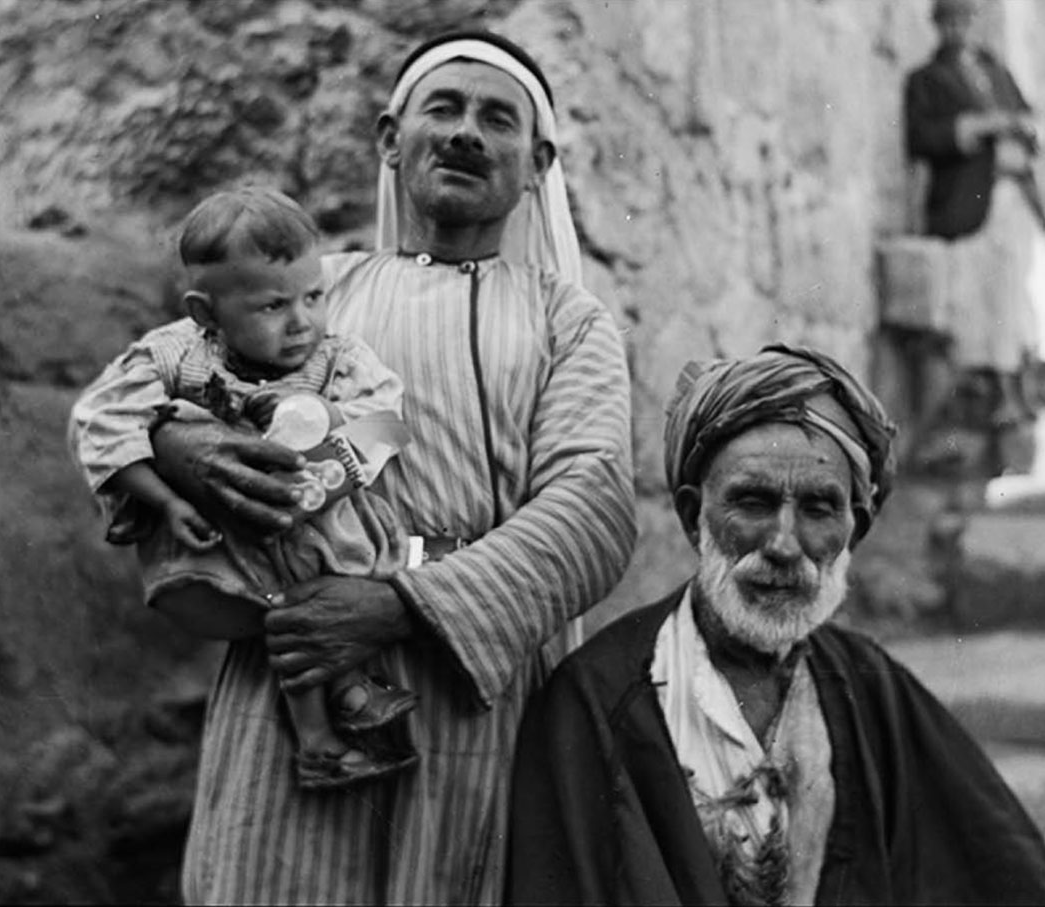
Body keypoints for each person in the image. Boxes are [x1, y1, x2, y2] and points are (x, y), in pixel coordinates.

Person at [128, 31, 636, 903]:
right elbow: (155, 386)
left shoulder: (568, 320)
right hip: (295, 668)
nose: (467, 132)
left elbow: (592, 508)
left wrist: (401, 604)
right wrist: (169, 437)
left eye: (496, 119)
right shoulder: (310, 296)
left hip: (474, 688)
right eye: (443, 108)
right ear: (391, 139)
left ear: (537, 160)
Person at [507, 345, 1045, 905]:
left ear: (853, 530)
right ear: (691, 516)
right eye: (753, 503)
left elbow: (1006, 872)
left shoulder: (871, 690)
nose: (783, 545)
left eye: (818, 509)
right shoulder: (595, 703)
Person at [69, 186, 418, 789]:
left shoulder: (338, 358)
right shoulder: (177, 355)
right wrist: (168, 498)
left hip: (312, 535)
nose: (302, 321)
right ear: (206, 313)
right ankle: (340, 706)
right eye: (273, 306)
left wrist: (328, 432)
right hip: (219, 553)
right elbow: (100, 419)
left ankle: (327, 734)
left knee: (315, 601)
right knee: (290, 605)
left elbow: (386, 417)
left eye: (314, 296)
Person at [904, 0, 1045, 471]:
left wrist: (1029, 129)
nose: (960, 29)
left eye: (966, 19)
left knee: (1025, 301)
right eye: (949, 21)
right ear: (937, 26)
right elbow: (921, 138)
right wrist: (980, 126)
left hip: (1016, 198)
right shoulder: (927, 80)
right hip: (971, 205)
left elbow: (1031, 119)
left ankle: (1023, 392)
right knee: (986, 307)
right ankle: (994, 399)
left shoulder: (997, 72)